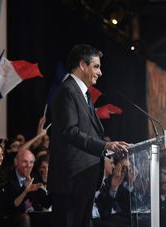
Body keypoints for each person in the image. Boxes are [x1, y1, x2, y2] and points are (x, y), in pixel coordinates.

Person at [48, 44, 129, 227]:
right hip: (72, 180)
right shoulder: (68, 91)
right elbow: (70, 131)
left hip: (84, 180)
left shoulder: (83, 94)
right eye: (96, 66)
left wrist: (111, 148)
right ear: (82, 65)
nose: (100, 72)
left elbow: (89, 132)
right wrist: (104, 146)